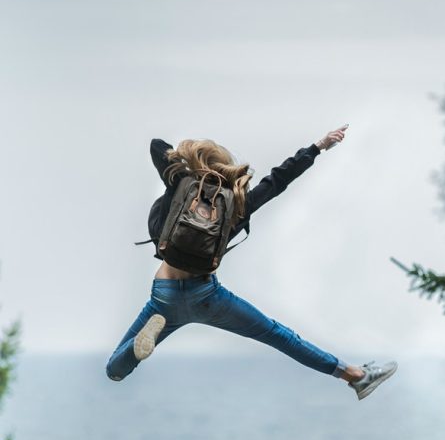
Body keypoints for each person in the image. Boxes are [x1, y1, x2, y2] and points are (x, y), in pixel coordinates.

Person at [105, 125, 397, 400]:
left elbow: (158, 146)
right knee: (278, 335)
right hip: (206, 296)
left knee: (114, 370)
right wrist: (318, 147)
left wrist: (189, 163)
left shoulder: (180, 184)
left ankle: (137, 347)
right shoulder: (237, 203)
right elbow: (278, 180)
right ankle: (355, 376)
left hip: (164, 295)